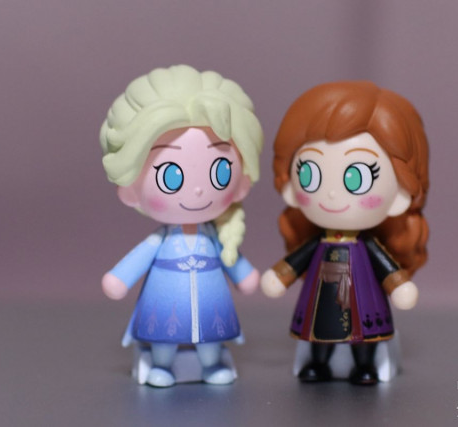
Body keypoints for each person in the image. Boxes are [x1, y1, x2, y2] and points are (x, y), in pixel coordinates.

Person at [100, 65, 263, 387]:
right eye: (171, 176)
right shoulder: (160, 241)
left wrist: (244, 274)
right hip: (165, 302)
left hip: (210, 304)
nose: (198, 190)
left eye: (220, 171)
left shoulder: (215, 237)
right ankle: (162, 365)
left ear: (241, 181)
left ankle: (212, 364)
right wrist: (119, 278)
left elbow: (232, 258)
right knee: (163, 335)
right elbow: (136, 262)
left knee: (211, 336)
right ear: (130, 189)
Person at [261, 81, 429, 385]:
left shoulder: (367, 246)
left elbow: (384, 266)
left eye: (356, 177)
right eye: (309, 174)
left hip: (362, 297)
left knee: (364, 332)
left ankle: (365, 366)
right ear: (289, 187)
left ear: (400, 196)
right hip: (321, 297)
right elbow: (298, 260)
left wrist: (399, 285)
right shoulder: (318, 242)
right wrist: (280, 276)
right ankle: (318, 363)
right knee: (320, 328)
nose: (332, 194)